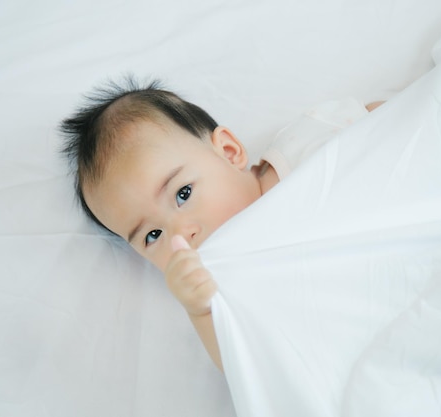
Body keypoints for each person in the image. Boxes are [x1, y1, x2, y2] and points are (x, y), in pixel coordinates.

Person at [60, 77, 383, 371]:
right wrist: (201, 313)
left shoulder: (305, 145)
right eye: (153, 235)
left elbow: (407, 123)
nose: (182, 235)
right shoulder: (229, 288)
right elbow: (252, 370)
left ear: (228, 152)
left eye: (183, 193)